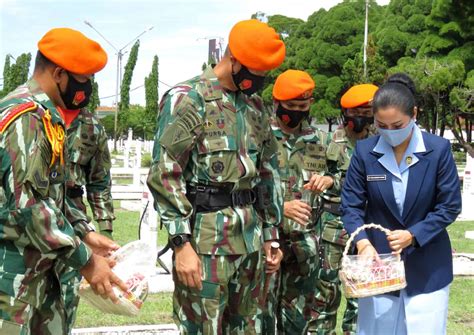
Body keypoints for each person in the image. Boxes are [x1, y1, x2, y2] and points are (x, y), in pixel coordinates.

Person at [146, 19, 285, 334]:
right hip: (204, 244)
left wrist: (271, 233)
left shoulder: (255, 106)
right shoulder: (188, 98)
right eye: (254, 72)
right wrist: (181, 244)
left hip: (251, 242)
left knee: (251, 328)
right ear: (232, 59)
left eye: (264, 75)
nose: (259, 80)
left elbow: (267, 171)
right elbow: (165, 174)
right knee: (203, 328)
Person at [0, 27, 127, 334]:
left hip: (42, 275)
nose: (87, 88)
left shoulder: (47, 117)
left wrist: (85, 232)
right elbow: (29, 207)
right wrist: (86, 261)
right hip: (14, 282)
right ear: (59, 73)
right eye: (83, 80)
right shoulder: (26, 117)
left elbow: (54, 193)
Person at [340, 73, 462, 335]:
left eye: (397, 125)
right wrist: (363, 244)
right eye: (382, 125)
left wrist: (414, 235)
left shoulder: (438, 150)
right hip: (378, 268)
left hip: (427, 267)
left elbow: (449, 205)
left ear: (414, 114)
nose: (390, 132)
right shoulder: (365, 152)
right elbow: (351, 205)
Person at [260, 69, 334, 334]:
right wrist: (282, 209)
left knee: (297, 322)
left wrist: (329, 180)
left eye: (302, 106)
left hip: (304, 246)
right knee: (262, 317)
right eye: (290, 106)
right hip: (265, 243)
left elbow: (345, 175)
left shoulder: (321, 140)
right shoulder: (259, 136)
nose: (296, 112)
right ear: (277, 102)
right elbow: (247, 187)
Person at [308, 83, 379, 335]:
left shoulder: (379, 142)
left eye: (367, 112)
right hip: (331, 226)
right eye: (357, 112)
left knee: (360, 295)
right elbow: (315, 174)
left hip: (363, 228)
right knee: (325, 292)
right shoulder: (327, 140)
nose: (363, 118)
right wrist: (327, 180)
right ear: (346, 114)